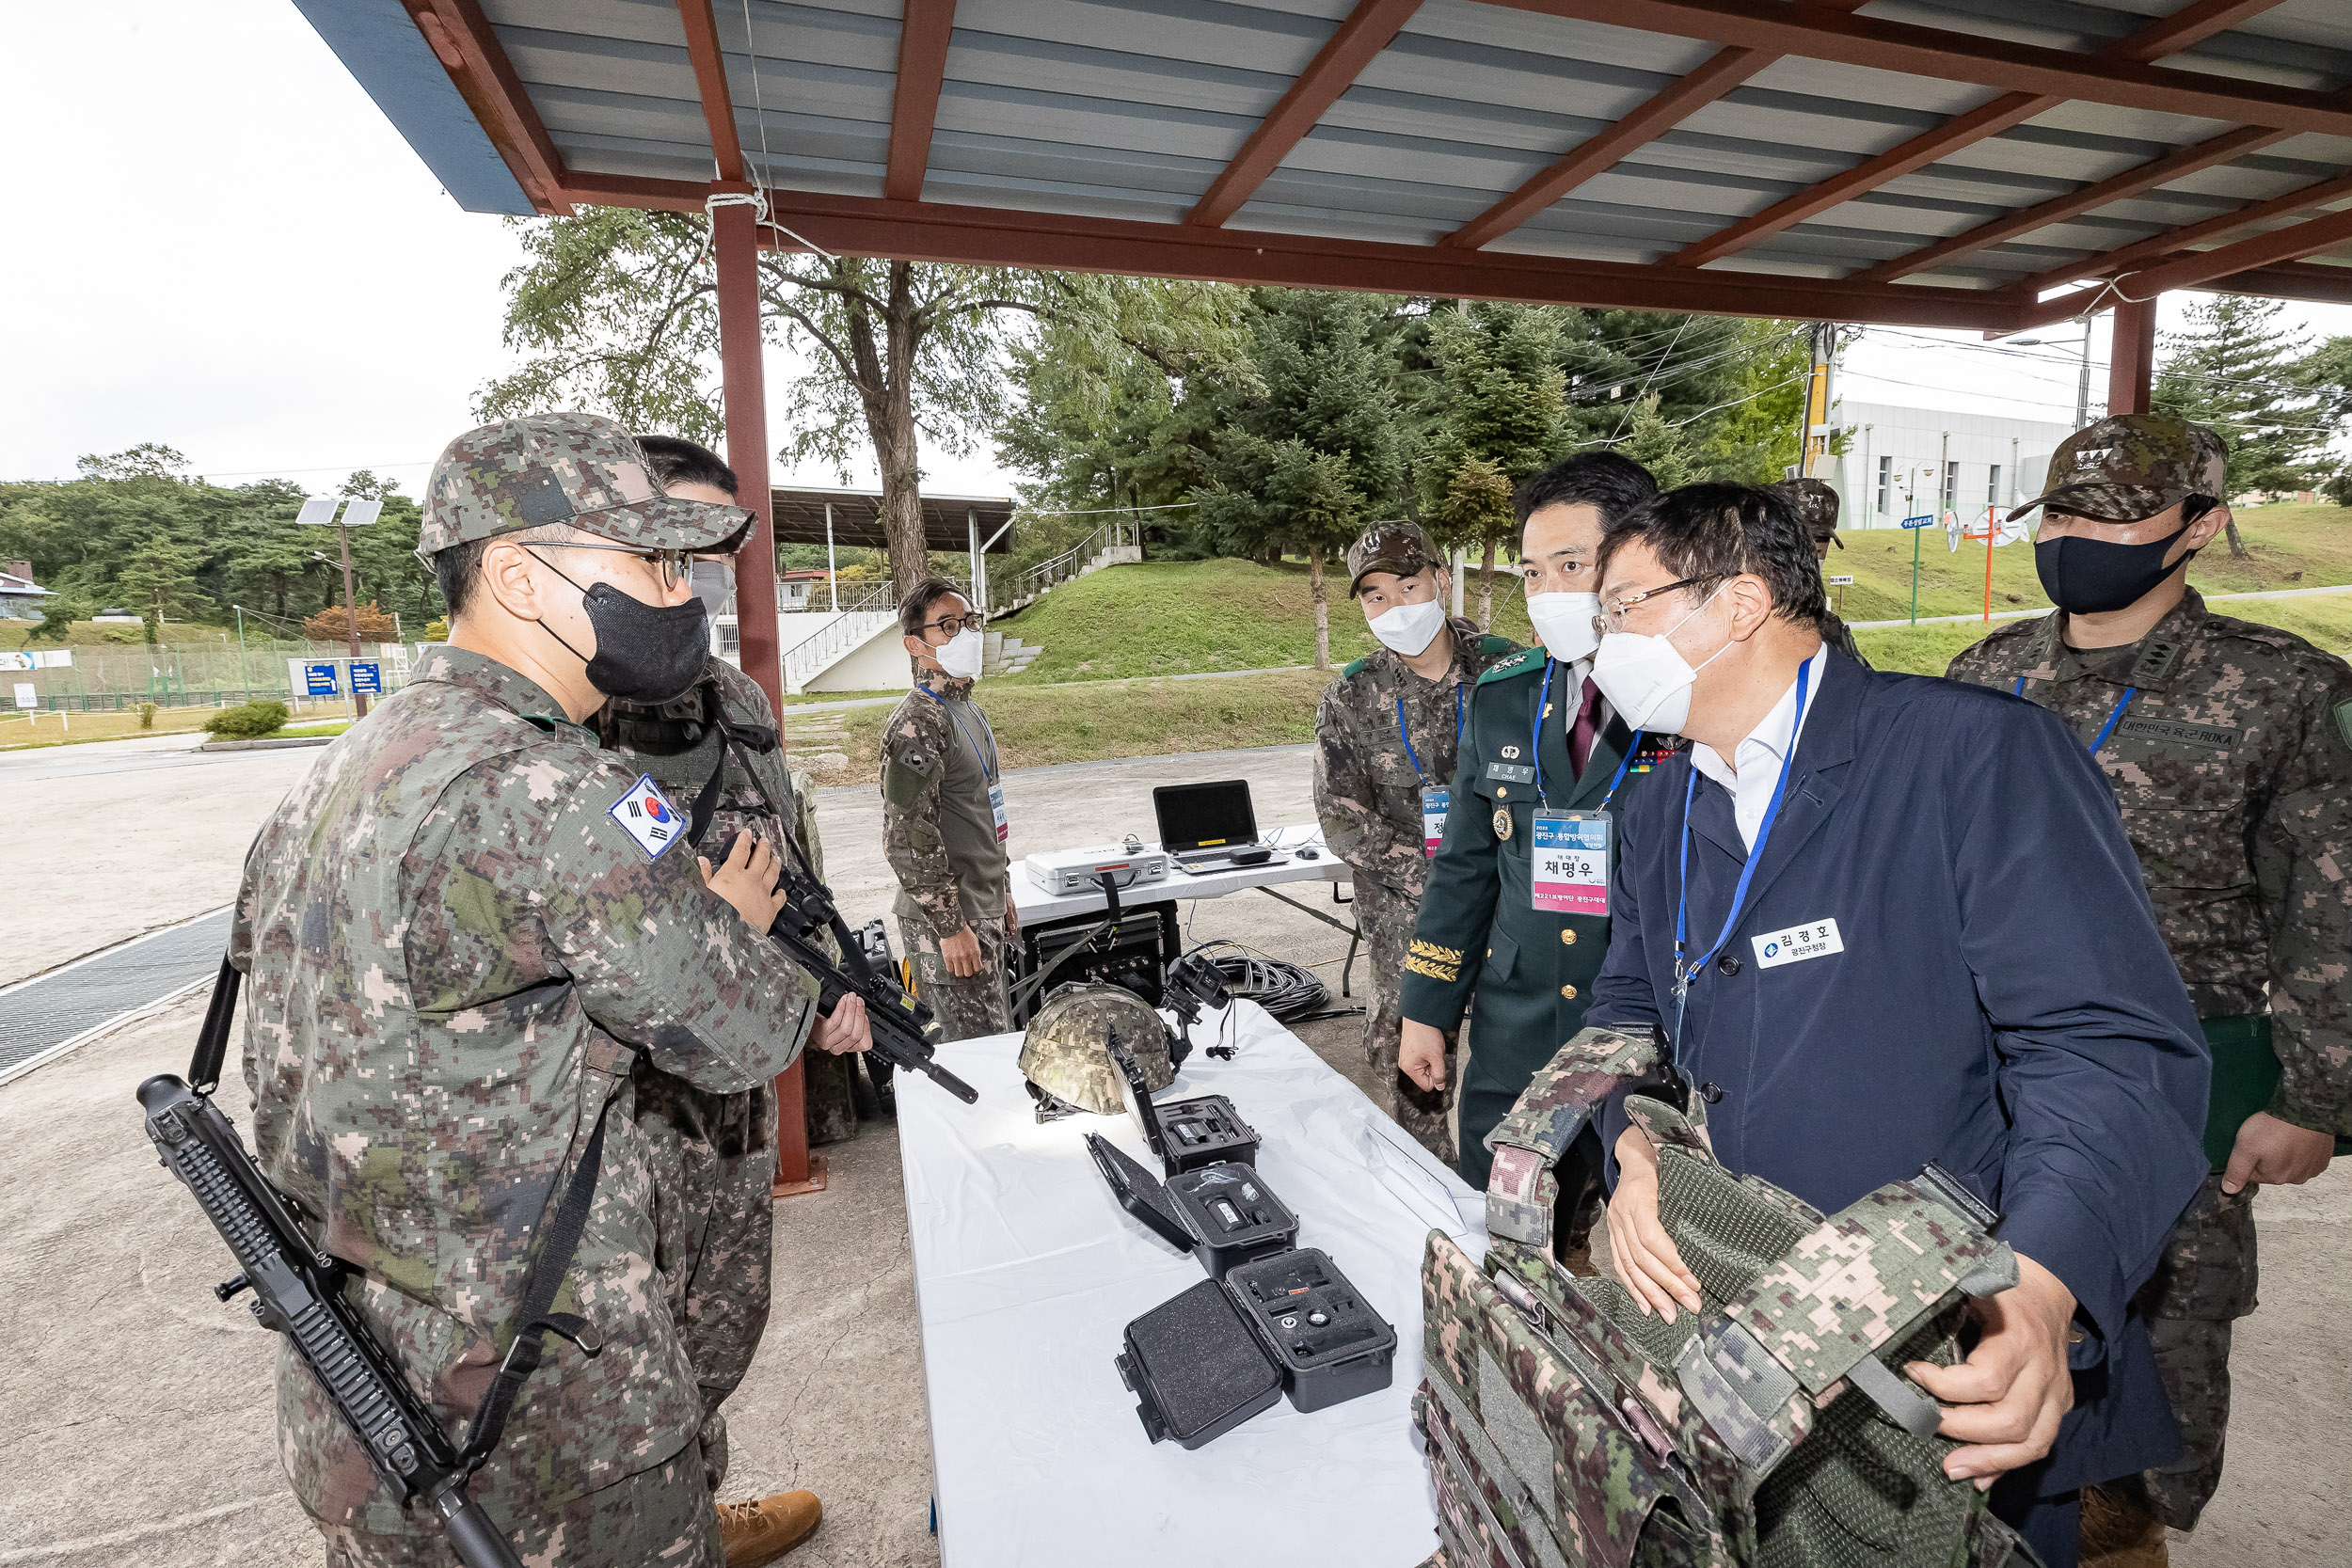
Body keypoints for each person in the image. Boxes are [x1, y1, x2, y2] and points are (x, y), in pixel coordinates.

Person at [229, 413, 870, 1568]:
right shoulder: (552, 786)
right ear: (519, 575)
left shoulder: (350, 764)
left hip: (372, 1385)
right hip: (552, 1420)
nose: (680, 596)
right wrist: (727, 923)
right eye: (648, 561)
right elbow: (745, 1033)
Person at [1581, 482, 2209, 1568]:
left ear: (1734, 605)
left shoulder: (1972, 756)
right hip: (1738, 1308)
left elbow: (2102, 1050)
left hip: (1935, 1324)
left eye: (1622, 605)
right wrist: (1627, 1146)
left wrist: (2044, 1282)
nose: (1600, 641)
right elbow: (1625, 1007)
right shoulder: (1658, 799)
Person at [1945, 415, 2351, 1561]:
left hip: (2188, 1090)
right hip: (1994, 1081)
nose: (2077, 539)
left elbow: (2334, 905)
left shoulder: (2282, 692)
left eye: (2112, 519)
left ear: (2199, 528)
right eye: (2062, 516)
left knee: (2156, 1373)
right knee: (1992, 1339)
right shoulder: (1986, 674)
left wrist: (2316, 1093)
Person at [588, 434, 849, 1566]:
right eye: (665, 542)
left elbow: (792, 854)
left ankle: (697, 1510)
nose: (686, 571)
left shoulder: (734, 695)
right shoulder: (559, 724)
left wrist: (833, 979)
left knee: (718, 1324)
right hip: (618, 1105)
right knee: (618, 1364)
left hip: (731, 1082)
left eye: (707, 548)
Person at [1397, 452, 1667, 1199]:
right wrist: (1426, 1009)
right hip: (1517, 1021)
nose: (1547, 593)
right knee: (1504, 1227)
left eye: (1571, 564)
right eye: (1532, 572)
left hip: (1650, 1029)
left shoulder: (1686, 701)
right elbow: (1464, 867)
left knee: (1655, 1248)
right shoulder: (1503, 698)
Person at [1312, 519, 1518, 1159]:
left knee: (1525, 1089)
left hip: (1509, 920)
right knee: (1420, 1103)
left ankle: (1551, 1233)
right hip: (1408, 930)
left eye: (1408, 585)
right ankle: (1433, 1233)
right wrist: (1436, 878)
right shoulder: (1351, 693)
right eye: (1376, 596)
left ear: (1442, 579)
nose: (1395, 607)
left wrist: (1486, 876)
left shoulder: (1510, 671)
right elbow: (1340, 816)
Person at [881, 577, 1015, 1039]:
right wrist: (951, 926)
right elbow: (905, 838)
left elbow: (984, 811)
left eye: (970, 622)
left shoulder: (966, 709)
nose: (967, 634)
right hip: (950, 923)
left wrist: (1003, 887)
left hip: (983, 908)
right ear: (915, 645)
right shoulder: (920, 721)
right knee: (976, 1062)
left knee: (996, 1045)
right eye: (949, 626)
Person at [1765, 475, 1866, 665]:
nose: (1813, 550)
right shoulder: (1739, 617)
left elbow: (1861, 683)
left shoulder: (1827, 625)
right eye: (1800, 539)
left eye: (1822, 539)